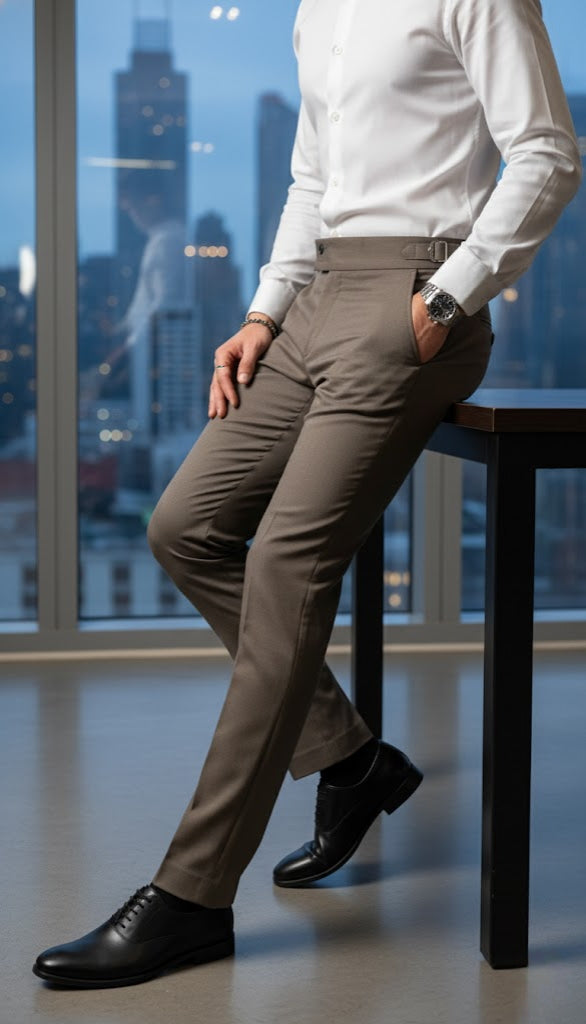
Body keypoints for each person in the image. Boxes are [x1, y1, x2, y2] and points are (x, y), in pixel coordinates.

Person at [34, 0, 581, 988]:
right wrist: (262, 310)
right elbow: (311, 179)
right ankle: (353, 759)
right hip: (315, 297)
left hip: (415, 294)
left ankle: (193, 895)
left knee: (289, 561)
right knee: (184, 526)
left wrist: (442, 302)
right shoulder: (318, 8)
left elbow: (545, 151)